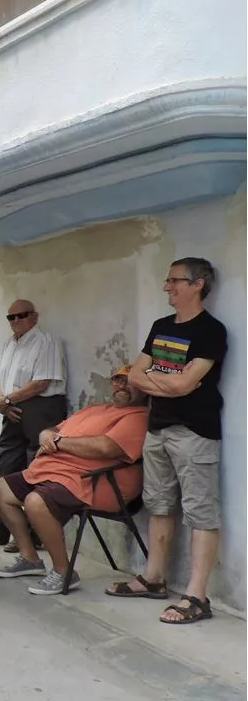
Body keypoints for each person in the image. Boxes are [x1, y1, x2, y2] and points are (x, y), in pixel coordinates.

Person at [109, 258, 227, 624]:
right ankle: (154, 578)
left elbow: (183, 384)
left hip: (194, 431)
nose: (167, 287)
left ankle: (197, 597)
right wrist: (170, 384)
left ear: (198, 284)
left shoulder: (210, 331)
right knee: (159, 505)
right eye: (168, 280)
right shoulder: (161, 327)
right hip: (157, 427)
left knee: (200, 513)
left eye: (175, 280)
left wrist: (160, 380)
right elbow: (134, 375)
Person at [0, 366, 149, 594]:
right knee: (1, 489)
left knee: (36, 502)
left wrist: (58, 443)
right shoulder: (95, 409)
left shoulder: (138, 416)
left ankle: (63, 572)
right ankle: (30, 558)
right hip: (55, 474)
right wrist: (46, 435)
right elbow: (55, 429)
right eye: (118, 379)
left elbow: (106, 447)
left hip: (92, 482)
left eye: (129, 381)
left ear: (144, 388)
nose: (121, 385)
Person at [0, 299, 67, 549]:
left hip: (41, 408)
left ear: (34, 317)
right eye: (11, 317)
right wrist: (3, 404)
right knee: (5, 468)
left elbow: (42, 383)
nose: (16, 320)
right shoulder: (10, 344)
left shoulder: (46, 341)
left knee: (36, 471)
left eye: (22, 315)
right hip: (13, 408)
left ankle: (33, 534)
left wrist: (6, 400)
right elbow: (3, 380)